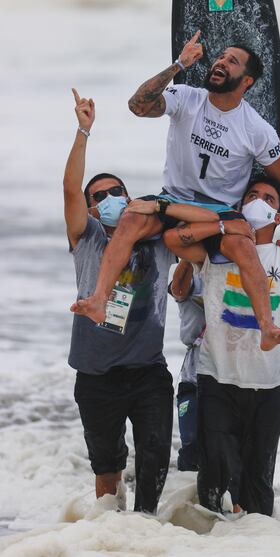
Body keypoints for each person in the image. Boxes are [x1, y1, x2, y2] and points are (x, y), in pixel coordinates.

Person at [71, 33, 280, 351]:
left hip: (217, 211)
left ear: (246, 81)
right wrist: (178, 64)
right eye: (220, 56)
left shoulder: (257, 130)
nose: (220, 61)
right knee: (131, 219)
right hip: (173, 197)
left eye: (231, 61)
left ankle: (267, 327)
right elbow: (137, 106)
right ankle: (99, 299)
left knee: (244, 248)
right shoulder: (186, 97)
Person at [64, 89, 216, 513]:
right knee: (107, 466)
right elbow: (70, 190)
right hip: (95, 374)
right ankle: (110, 533)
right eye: (100, 197)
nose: (108, 199)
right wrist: (83, 131)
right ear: (93, 210)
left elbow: (211, 219)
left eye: (117, 191)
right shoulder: (87, 238)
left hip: (147, 370)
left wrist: (162, 205)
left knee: (154, 455)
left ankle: (144, 528)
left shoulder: (159, 240)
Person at [163, 174, 280, 517]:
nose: (258, 201)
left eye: (268, 198)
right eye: (251, 195)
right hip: (216, 378)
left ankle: (259, 545)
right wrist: (223, 224)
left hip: (267, 387)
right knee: (216, 480)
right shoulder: (217, 248)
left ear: (278, 217)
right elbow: (172, 238)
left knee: (259, 489)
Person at [168, 260, 205, 472]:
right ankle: (186, 504)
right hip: (193, 377)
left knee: (226, 452)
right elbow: (179, 291)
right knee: (190, 447)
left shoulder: (235, 271)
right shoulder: (181, 270)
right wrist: (189, 257)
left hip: (228, 378)